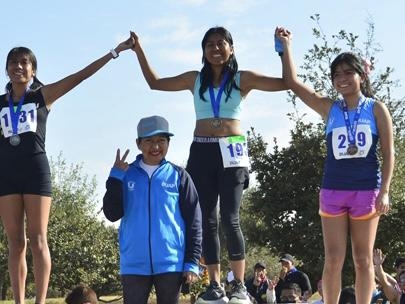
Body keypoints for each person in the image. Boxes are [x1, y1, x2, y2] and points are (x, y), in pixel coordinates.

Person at [130, 26, 287, 304]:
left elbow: (286, 82)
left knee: (231, 217)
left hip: (232, 151)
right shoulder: (195, 79)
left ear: (231, 48)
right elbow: (154, 82)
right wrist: (138, 49)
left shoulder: (242, 79)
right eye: (209, 44)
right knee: (206, 219)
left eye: (221, 43)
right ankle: (215, 284)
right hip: (201, 149)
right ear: (203, 51)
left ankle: (238, 284)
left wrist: (282, 48)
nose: (215, 48)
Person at [0, 37, 133, 304]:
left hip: (36, 172)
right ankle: (19, 302)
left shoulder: (42, 96)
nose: (18, 66)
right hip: (6, 174)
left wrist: (114, 52)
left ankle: (40, 301)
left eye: (24, 62)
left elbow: (79, 76)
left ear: (33, 70)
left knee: (38, 239)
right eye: (13, 62)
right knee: (15, 243)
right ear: (6, 70)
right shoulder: (1, 103)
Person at [276, 25, 394, 304]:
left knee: (363, 259)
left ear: (361, 76)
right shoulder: (329, 108)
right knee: (333, 259)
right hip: (333, 190)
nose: (342, 79)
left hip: (366, 191)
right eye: (336, 75)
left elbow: (389, 152)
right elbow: (292, 82)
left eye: (348, 73)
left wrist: (385, 190)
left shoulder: (376, 108)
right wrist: (285, 47)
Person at [102, 115, 202, 304]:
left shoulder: (179, 175)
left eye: (161, 141)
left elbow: (194, 222)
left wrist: (191, 261)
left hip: (171, 263)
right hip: (133, 264)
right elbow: (111, 214)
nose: (155, 147)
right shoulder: (125, 173)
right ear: (138, 143)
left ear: (168, 143)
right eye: (149, 141)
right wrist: (114, 179)